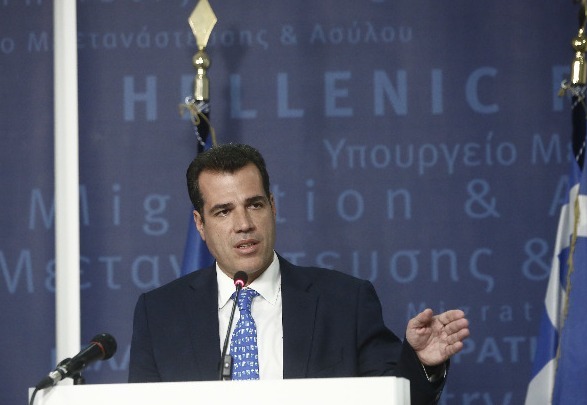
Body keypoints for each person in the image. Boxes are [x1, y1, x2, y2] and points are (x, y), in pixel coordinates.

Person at [128, 144, 470, 404]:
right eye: (223, 211)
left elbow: (392, 397)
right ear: (200, 224)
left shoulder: (345, 302)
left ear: (273, 207)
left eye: (255, 205)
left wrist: (420, 362)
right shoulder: (159, 314)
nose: (244, 224)